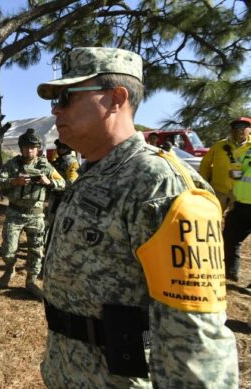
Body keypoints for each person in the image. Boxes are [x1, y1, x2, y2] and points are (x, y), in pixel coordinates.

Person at [36, 47, 238, 388]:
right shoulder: (93, 173)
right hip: (68, 374)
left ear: (117, 98)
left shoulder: (160, 184)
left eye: (66, 96)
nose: (56, 108)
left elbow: (195, 341)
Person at [0, 129, 65, 297]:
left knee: (36, 250)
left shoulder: (45, 166)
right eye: (26, 147)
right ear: (21, 148)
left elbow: (63, 183)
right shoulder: (13, 164)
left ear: (38, 148)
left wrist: (49, 182)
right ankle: (9, 269)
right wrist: (13, 181)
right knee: (8, 249)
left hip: (37, 215)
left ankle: (31, 281)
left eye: (33, 147)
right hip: (15, 213)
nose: (29, 150)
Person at [199, 117, 251, 213]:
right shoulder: (219, 146)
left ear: (250, 130)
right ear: (231, 130)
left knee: (237, 224)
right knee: (215, 219)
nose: (240, 130)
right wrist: (204, 183)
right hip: (219, 192)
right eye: (236, 127)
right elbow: (205, 164)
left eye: (244, 127)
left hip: (242, 196)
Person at [223, 145, 251, 282]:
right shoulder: (248, 151)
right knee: (230, 237)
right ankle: (230, 274)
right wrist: (234, 172)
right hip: (241, 204)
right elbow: (239, 170)